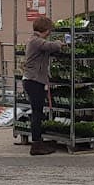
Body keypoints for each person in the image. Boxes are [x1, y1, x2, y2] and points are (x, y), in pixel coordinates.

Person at [22, 16, 68, 155]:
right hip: (34, 81)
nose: (50, 33)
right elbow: (50, 46)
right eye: (49, 30)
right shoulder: (35, 41)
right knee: (37, 113)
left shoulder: (36, 40)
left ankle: (38, 142)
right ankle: (36, 145)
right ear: (46, 30)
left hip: (34, 80)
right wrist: (60, 43)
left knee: (38, 112)